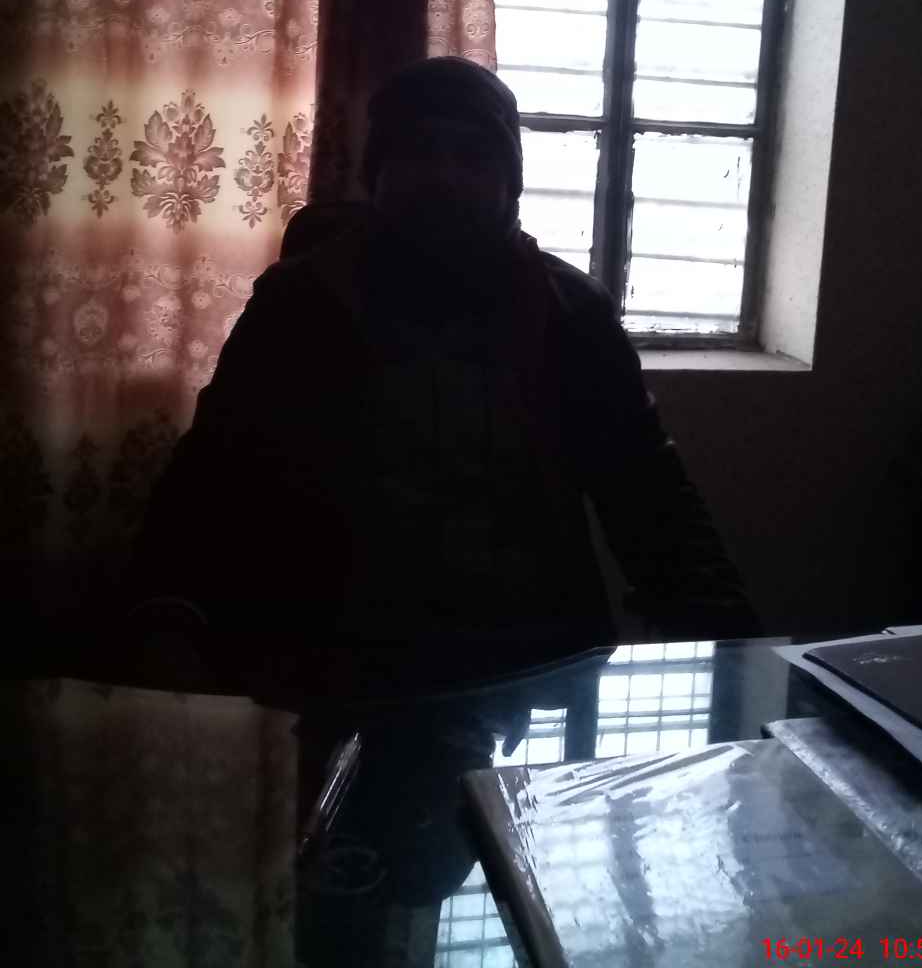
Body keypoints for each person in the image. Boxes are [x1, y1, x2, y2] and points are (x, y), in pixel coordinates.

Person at [121, 56, 759, 697]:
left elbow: (653, 502)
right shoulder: (301, 305)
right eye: (419, 151)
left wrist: (737, 667)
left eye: (473, 156)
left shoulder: (570, 314)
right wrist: (164, 626)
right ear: (378, 175)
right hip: (332, 664)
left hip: (531, 669)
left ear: (509, 183)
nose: (445, 177)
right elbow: (210, 479)